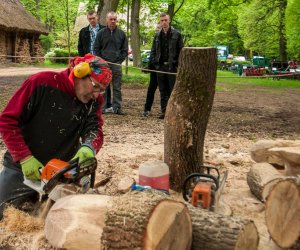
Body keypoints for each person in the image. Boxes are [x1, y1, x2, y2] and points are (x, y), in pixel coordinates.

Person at [0, 54, 112, 219]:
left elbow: (94, 128)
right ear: (79, 73)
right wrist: (23, 157)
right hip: (24, 166)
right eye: (95, 86)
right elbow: (7, 121)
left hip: (62, 171)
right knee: (4, 213)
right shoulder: (42, 83)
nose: (96, 94)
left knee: (69, 218)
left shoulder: (93, 101)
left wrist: (89, 147)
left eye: (101, 90)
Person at [94, 11, 128, 115]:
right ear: (106, 20)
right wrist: (102, 61)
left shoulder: (121, 34)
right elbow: (96, 48)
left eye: (114, 19)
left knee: (117, 87)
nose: (113, 21)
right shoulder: (101, 33)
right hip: (104, 65)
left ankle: (117, 108)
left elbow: (125, 50)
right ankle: (103, 108)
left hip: (116, 65)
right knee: (103, 87)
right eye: (111, 19)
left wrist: (119, 61)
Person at [150, 12, 184, 119]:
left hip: (171, 67)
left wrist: (177, 65)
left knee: (172, 91)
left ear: (169, 21)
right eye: (162, 20)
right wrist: (155, 64)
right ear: (160, 22)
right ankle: (164, 112)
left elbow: (181, 51)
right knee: (162, 90)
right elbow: (153, 51)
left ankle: (173, 113)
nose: (164, 22)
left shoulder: (177, 34)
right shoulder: (157, 35)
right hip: (160, 67)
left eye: (165, 20)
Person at [77, 10, 112, 111]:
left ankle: (107, 104)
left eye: (94, 18)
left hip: (101, 60)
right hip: (88, 60)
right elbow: (80, 47)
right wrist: (82, 59)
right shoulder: (83, 31)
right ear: (88, 19)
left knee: (104, 81)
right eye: (90, 18)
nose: (92, 20)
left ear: (97, 17)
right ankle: (90, 102)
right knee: (88, 81)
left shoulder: (105, 29)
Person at [142, 24, 161, 117]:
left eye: (159, 28)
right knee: (151, 89)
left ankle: (165, 110)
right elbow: (152, 53)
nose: (157, 30)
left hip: (163, 69)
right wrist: (149, 67)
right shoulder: (156, 39)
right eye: (156, 28)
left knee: (164, 90)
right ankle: (147, 109)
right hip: (154, 69)